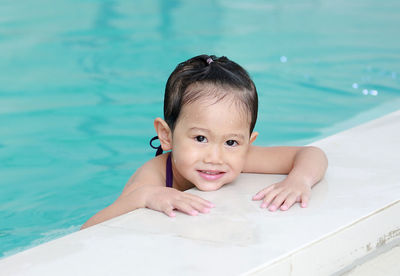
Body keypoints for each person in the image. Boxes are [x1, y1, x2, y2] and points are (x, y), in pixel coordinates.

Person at [81, 54, 328, 229]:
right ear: (166, 136)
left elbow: (311, 154)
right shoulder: (152, 177)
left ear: (247, 143)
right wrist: (144, 197)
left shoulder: (238, 158)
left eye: (231, 142)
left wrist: (299, 180)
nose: (215, 157)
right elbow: (89, 230)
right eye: (200, 138)